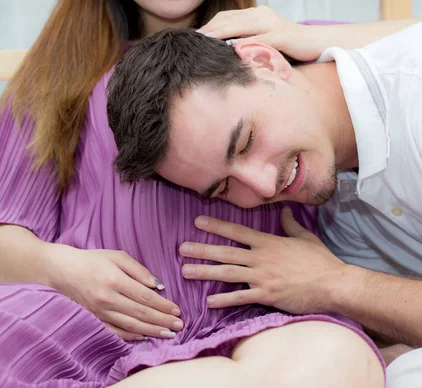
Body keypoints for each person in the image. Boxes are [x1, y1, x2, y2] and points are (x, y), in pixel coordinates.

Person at [107, 7, 422, 387]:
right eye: (223, 187)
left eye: (246, 141)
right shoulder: (325, 192)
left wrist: (335, 283)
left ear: (265, 62)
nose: (260, 187)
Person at [0, 2, 388, 387]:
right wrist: (60, 269)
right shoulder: (56, 79)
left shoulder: (281, 50)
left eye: (246, 141)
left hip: (257, 323)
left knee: (332, 359)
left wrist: (305, 35)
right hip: (82, 323)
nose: (260, 182)